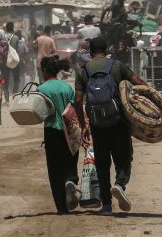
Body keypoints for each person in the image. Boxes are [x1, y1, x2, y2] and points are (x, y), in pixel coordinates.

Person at [74, 37, 146, 215]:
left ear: (90, 52)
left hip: (97, 124)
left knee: (102, 164)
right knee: (124, 157)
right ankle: (120, 184)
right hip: (118, 122)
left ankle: (106, 204)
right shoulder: (117, 66)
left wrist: (84, 125)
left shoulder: (83, 71)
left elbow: (77, 100)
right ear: (107, 50)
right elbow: (137, 81)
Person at [38, 55, 85, 213]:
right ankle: (70, 180)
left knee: (54, 167)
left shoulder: (41, 89)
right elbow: (75, 107)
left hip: (51, 130)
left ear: (45, 71)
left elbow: (38, 113)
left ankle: (61, 206)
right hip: (69, 128)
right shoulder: (66, 88)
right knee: (70, 157)